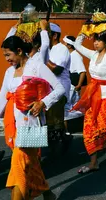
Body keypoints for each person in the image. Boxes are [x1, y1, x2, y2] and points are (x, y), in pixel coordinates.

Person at [0, 36, 65, 200]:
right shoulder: (9, 72)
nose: (7, 60)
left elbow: (59, 89)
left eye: (8, 55)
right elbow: (1, 101)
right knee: (30, 163)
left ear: (19, 51)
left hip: (33, 125)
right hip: (14, 125)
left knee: (18, 164)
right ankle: (47, 193)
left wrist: (43, 103)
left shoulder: (37, 66)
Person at [73, 32, 106, 173]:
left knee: (103, 129)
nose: (95, 43)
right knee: (88, 129)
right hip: (92, 96)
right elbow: (77, 45)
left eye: (99, 41)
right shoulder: (93, 55)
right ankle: (93, 162)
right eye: (95, 40)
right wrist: (83, 33)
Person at [46, 23, 72, 153]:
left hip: (59, 88)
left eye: (47, 34)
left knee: (54, 120)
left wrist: (44, 59)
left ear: (54, 35)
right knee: (49, 119)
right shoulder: (46, 48)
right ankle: (64, 139)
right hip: (46, 89)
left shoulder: (62, 49)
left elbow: (57, 69)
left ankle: (56, 148)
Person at [63, 35, 86, 135]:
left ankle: (68, 130)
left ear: (69, 45)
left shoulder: (75, 56)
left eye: (64, 43)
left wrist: (78, 85)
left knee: (72, 106)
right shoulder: (69, 55)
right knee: (70, 106)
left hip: (73, 84)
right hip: (69, 83)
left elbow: (82, 72)